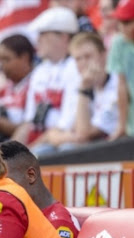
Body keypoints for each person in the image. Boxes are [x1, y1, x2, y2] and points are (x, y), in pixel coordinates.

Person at [30, 32, 119, 155]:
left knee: (67, 150)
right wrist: (50, 137)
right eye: (78, 59)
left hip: (113, 149)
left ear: (103, 56)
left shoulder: (115, 87)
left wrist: (84, 89)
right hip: (85, 145)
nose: (83, 63)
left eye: (88, 56)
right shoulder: (83, 83)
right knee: (38, 152)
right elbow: (68, 127)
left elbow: (83, 135)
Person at [12, 7, 81, 147]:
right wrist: (8, 152)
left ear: (63, 37)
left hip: (60, 142)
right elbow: (28, 123)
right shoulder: (40, 71)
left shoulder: (76, 67)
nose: (37, 40)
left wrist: (29, 152)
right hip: (39, 142)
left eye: (43, 34)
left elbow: (65, 125)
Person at [0, 140, 80, 238]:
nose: (0, 190)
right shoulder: (19, 216)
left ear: (31, 175)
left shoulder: (59, 223)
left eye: (7, 182)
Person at [107, 0, 134, 139]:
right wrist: (121, 125)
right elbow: (121, 85)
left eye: (127, 22)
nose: (122, 27)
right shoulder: (118, 42)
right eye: (120, 22)